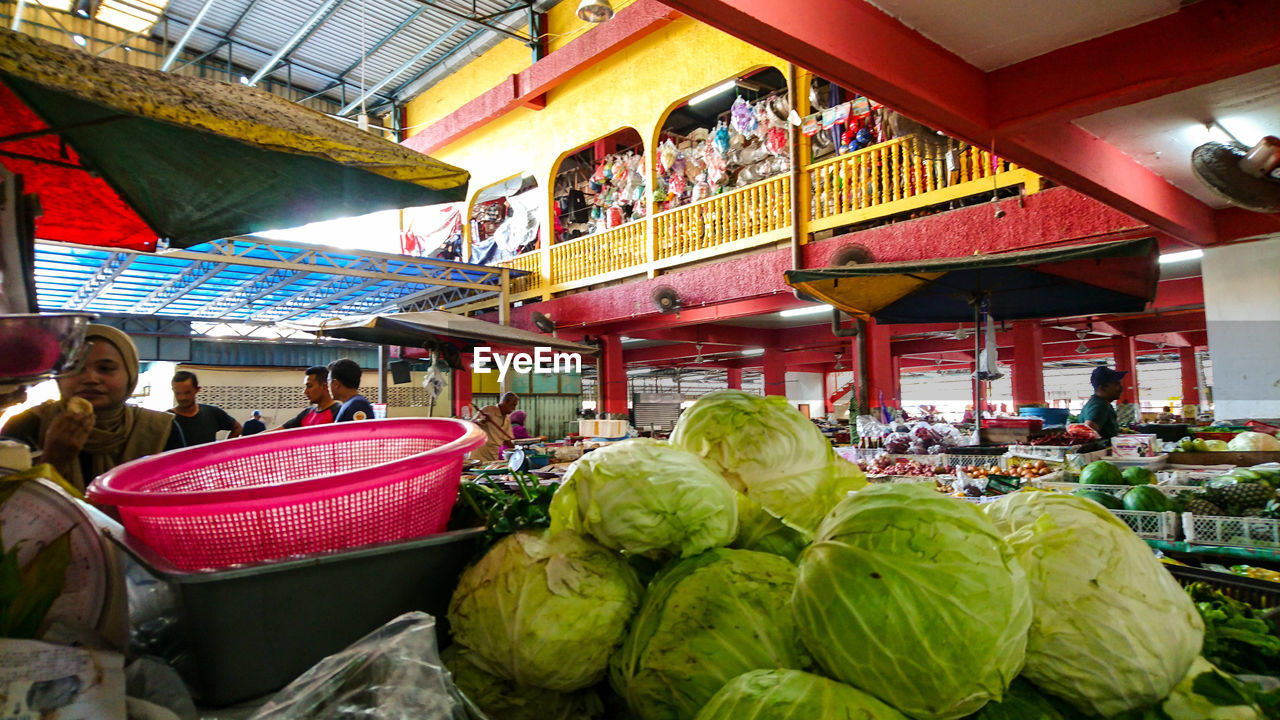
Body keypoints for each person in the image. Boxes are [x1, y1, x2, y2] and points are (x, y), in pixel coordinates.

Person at [2, 324, 185, 491]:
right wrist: (52, 459)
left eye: (105, 369)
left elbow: (177, 502)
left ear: (129, 374)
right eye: (74, 368)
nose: (90, 379)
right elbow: (8, 510)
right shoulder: (28, 424)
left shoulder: (159, 430)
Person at [170, 371, 241, 445]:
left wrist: (224, 449)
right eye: (178, 393)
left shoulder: (212, 413)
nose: (182, 398)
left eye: (187, 393)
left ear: (197, 390)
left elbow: (237, 427)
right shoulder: (167, 420)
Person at [1080, 366, 1127, 439]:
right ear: (1103, 387)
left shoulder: (1104, 403)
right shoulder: (1099, 406)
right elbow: (1087, 434)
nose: (1121, 388)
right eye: (1117, 384)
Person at [471, 392, 519, 462]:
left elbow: (506, 439)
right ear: (504, 402)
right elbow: (471, 425)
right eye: (512, 405)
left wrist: (517, 450)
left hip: (494, 452)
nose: (514, 408)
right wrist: (481, 421)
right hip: (480, 452)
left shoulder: (507, 418)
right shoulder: (488, 410)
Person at [328, 358, 375, 422]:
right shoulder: (351, 404)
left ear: (336, 383)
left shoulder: (358, 405)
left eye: (328, 381)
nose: (327, 386)